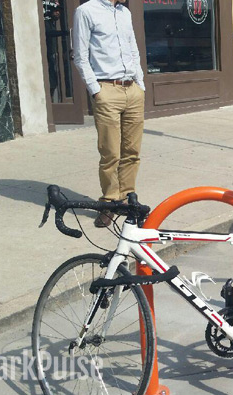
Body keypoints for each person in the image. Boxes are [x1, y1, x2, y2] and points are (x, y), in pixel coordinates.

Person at [73, 0, 146, 227]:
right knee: (110, 153)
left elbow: (133, 48)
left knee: (132, 151)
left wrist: (140, 84)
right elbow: (80, 55)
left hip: (132, 89)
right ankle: (109, 201)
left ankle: (126, 197)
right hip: (106, 89)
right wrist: (96, 90)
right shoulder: (85, 11)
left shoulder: (124, 12)